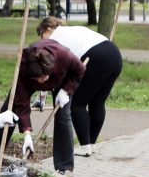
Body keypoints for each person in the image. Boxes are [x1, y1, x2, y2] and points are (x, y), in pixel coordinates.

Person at [0, 40, 85, 174]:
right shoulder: (23, 69)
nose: (43, 81)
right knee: (10, 108)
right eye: (39, 79)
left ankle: (65, 167)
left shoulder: (64, 56)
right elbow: (21, 103)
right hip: (28, 79)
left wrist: (67, 90)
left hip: (63, 82)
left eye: (45, 77)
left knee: (63, 115)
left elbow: (80, 70)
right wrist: (27, 134)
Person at [36, 16, 123, 156]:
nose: (42, 40)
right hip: (115, 55)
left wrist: (41, 96)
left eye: (41, 35)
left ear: (48, 30)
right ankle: (91, 144)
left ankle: (85, 147)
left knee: (77, 104)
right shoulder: (72, 30)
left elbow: (49, 70)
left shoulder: (54, 40)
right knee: (97, 102)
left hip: (97, 57)